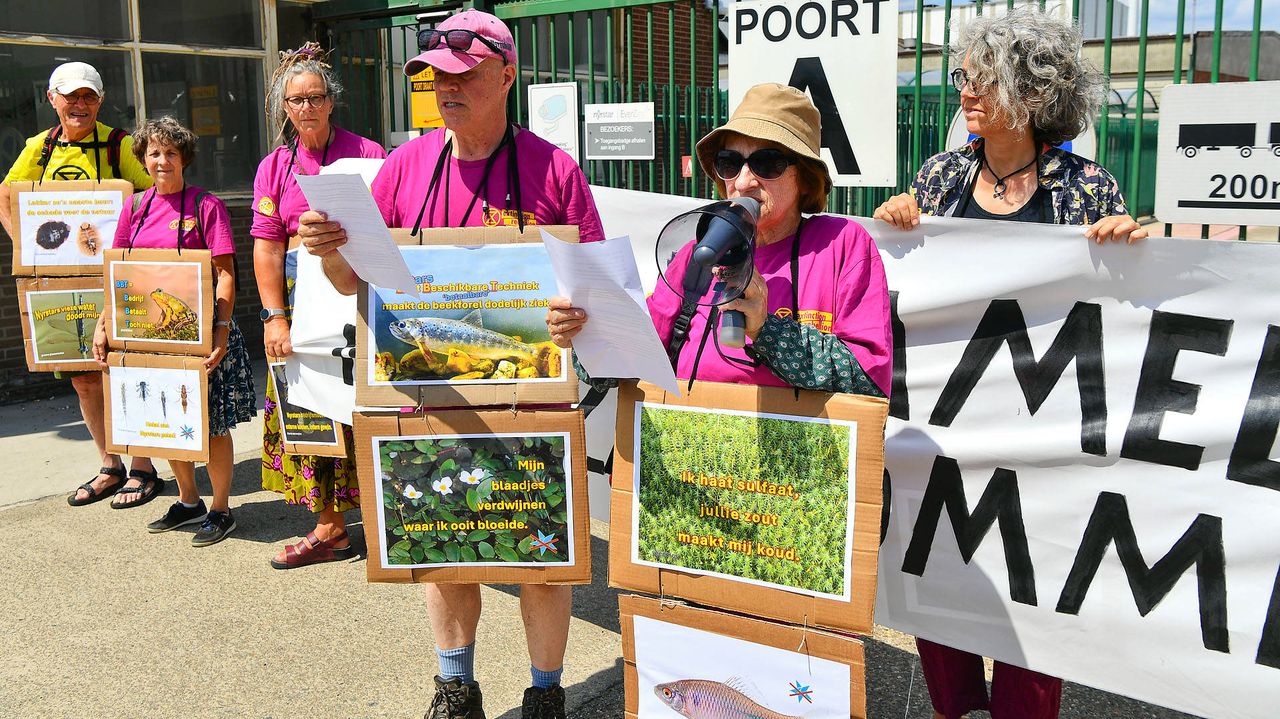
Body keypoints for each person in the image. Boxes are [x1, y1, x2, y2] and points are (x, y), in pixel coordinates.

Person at [296, 10, 604, 719]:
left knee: (542, 554)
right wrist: (330, 248)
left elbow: (593, 289)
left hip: (530, 399)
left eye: (463, 75)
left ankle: (546, 695)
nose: (446, 88)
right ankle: (455, 687)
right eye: (436, 75)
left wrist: (574, 310)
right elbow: (353, 283)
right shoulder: (404, 167)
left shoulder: (554, 168)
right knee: (441, 543)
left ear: (507, 73)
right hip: (426, 395)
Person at [872, 8, 1146, 718]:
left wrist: (1126, 245)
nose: (966, 90)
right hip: (950, 446)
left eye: (984, 78)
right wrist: (899, 220)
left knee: (1033, 622)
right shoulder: (937, 179)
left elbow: (1122, 317)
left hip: (1039, 448)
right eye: (965, 74)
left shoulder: (1089, 190)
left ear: (1033, 91)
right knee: (945, 608)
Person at [547, 82, 892, 398]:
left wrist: (766, 331)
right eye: (729, 162)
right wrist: (583, 334)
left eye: (767, 163)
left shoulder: (843, 247)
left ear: (805, 175)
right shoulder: (695, 255)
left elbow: (868, 377)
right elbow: (627, 364)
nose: (743, 182)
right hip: (691, 460)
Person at [0, 62, 161, 510]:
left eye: (88, 96)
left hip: (116, 281)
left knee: (122, 373)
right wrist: (29, 254)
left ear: (100, 99)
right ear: (52, 99)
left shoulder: (118, 144)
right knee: (86, 380)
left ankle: (144, 467)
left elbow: (153, 198)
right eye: (70, 96)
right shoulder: (40, 147)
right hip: (62, 287)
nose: (79, 104)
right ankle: (110, 465)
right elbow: (6, 195)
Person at [92, 116, 256, 547]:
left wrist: (220, 332)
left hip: (203, 335)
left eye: (170, 152)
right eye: (153, 153)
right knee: (164, 419)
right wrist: (104, 324)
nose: (162, 161)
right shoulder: (136, 206)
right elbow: (119, 272)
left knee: (213, 425)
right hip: (152, 337)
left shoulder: (207, 206)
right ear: (143, 160)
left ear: (184, 157)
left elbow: (224, 274)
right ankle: (188, 501)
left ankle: (221, 508)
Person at [251, 43, 385, 569]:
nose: (305, 108)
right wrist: (273, 316)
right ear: (285, 108)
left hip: (356, 293)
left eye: (314, 98)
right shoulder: (275, 167)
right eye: (295, 100)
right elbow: (267, 245)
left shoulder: (370, 155)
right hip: (297, 299)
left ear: (332, 102)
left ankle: (385, 518)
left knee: (369, 406)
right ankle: (330, 528)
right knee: (307, 409)